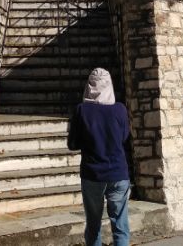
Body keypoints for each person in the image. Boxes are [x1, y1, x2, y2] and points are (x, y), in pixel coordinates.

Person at [67, 67, 131, 246]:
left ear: (89, 87)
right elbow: (125, 137)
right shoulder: (120, 110)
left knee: (94, 224)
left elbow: (73, 144)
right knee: (120, 225)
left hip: (93, 174)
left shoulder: (82, 110)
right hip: (118, 172)